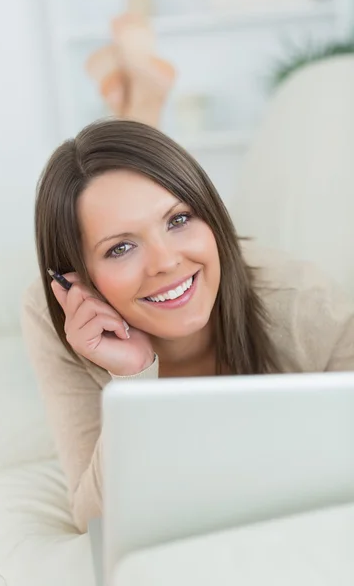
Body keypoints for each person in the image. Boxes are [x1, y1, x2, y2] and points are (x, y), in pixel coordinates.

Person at [22, 34, 354, 537]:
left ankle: (140, 111)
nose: (166, 262)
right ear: (78, 282)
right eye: (120, 247)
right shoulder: (57, 316)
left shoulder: (311, 310)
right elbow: (95, 520)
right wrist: (132, 380)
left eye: (179, 219)